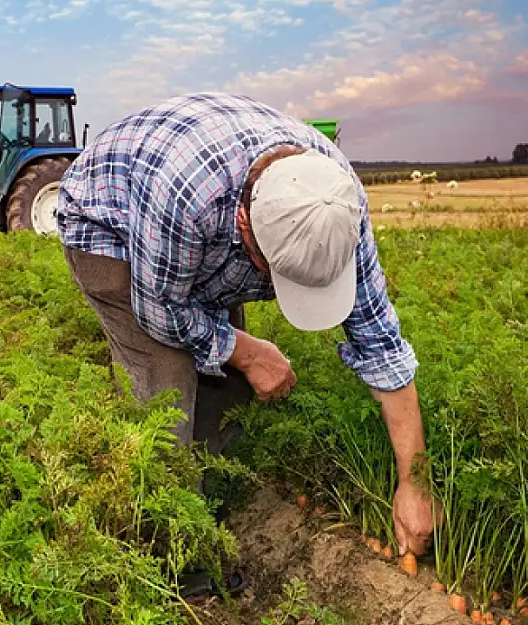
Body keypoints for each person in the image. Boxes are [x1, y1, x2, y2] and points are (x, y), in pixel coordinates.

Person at [55, 92, 437, 588]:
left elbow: (381, 346)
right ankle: (170, 560)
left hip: (199, 235)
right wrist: (250, 351)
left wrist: (415, 482)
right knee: (167, 390)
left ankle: (211, 506)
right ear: (244, 226)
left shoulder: (336, 205)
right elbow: (161, 310)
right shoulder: (186, 196)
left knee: (228, 388)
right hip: (114, 231)